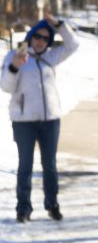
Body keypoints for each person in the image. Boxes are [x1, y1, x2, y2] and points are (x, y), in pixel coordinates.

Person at [1, 15, 80, 222]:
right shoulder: (13, 56)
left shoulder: (52, 57)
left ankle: (52, 204)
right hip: (23, 121)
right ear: (30, 36)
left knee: (50, 165)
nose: (40, 41)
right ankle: (23, 208)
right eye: (37, 36)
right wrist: (14, 67)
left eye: (45, 38)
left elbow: (73, 44)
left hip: (50, 120)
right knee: (25, 165)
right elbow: (6, 87)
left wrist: (60, 25)